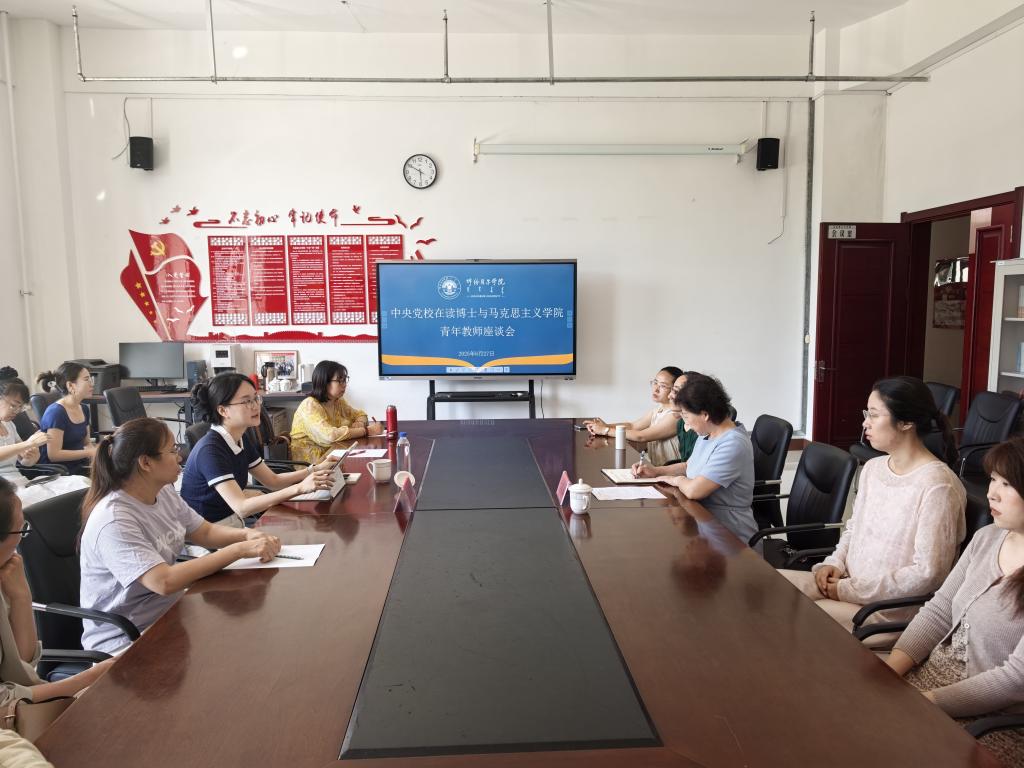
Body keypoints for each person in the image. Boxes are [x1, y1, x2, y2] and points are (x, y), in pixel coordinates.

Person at [779, 376, 966, 634]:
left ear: (906, 422)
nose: (865, 422)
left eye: (874, 415)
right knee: (770, 588)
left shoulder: (938, 485)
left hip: (887, 610)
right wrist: (834, 563)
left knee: (791, 616)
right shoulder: (873, 468)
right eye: (867, 413)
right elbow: (854, 529)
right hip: (849, 584)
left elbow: (927, 574)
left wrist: (847, 590)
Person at [79, 418, 284, 654]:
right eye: (172, 450)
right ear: (146, 462)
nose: (180, 456)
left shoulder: (163, 491)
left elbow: (204, 531)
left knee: (252, 634)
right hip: (127, 640)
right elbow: (163, 581)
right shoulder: (114, 520)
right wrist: (238, 550)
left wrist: (246, 535)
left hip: (172, 614)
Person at [885, 437, 1024, 765]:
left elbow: (1015, 679)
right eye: (993, 479)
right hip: (928, 681)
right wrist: (889, 672)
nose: (991, 493)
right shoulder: (987, 537)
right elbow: (940, 609)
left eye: (1006, 484)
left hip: (992, 719)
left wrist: (927, 702)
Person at [0, 477, 116, 709]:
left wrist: (21, 597)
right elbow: (4, 703)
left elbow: (20, 663)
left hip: (24, 704)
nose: (21, 539)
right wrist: (88, 679)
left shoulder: (7, 574)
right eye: (21, 529)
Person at [181, 373, 337, 526]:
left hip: (232, 522)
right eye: (247, 401)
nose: (256, 406)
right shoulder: (210, 450)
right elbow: (241, 507)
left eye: (256, 398)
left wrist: (313, 470)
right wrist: (300, 488)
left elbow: (273, 481)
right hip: (209, 531)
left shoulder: (240, 438)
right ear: (223, 410)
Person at [633, 374, 757, 541]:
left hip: (729, 536)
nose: (687, 424)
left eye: (686, 416)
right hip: (702, 523)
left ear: (704, 414)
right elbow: (687, 466)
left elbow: (694, 490)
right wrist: (656, 471)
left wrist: (674, 480)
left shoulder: (733, 444)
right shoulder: (708, 433)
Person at [584, 366, 683, 466]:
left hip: (670, 471)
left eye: (663, 386)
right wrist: (605, 426)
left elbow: (641, 436)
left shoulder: (675, 415)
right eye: (655, 382)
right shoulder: (658, 410)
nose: (656, 389)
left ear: (674, 390)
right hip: (657, 469)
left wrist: (605, 430)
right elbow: (633, 426)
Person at [289, 361, 384, 464]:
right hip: (312, 466)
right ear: (324, 382)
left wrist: (359, 423)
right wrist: (366, 431)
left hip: (334, 457)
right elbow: (330, 436)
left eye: (345, 380)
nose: (345, 385)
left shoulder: (337, 401)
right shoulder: (309, 405)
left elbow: (361, 415)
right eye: (340, 381)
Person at [35, 363, 96, 476]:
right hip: (60, 472)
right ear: (70, 385)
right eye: (86, 379)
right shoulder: (56, 412)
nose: (91, 384)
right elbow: (54, 455)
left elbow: (87, 443)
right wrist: (89, 452)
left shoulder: (84, 409)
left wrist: (96, 458)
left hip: (80, 466)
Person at [0, 379, 48, 487]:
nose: (16, 412)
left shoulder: (9, 425)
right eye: (13, 405)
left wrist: (32, 456)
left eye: (20, 407)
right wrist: (28, 443)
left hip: (16, 481)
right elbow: (22, 446)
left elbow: (23, 462)